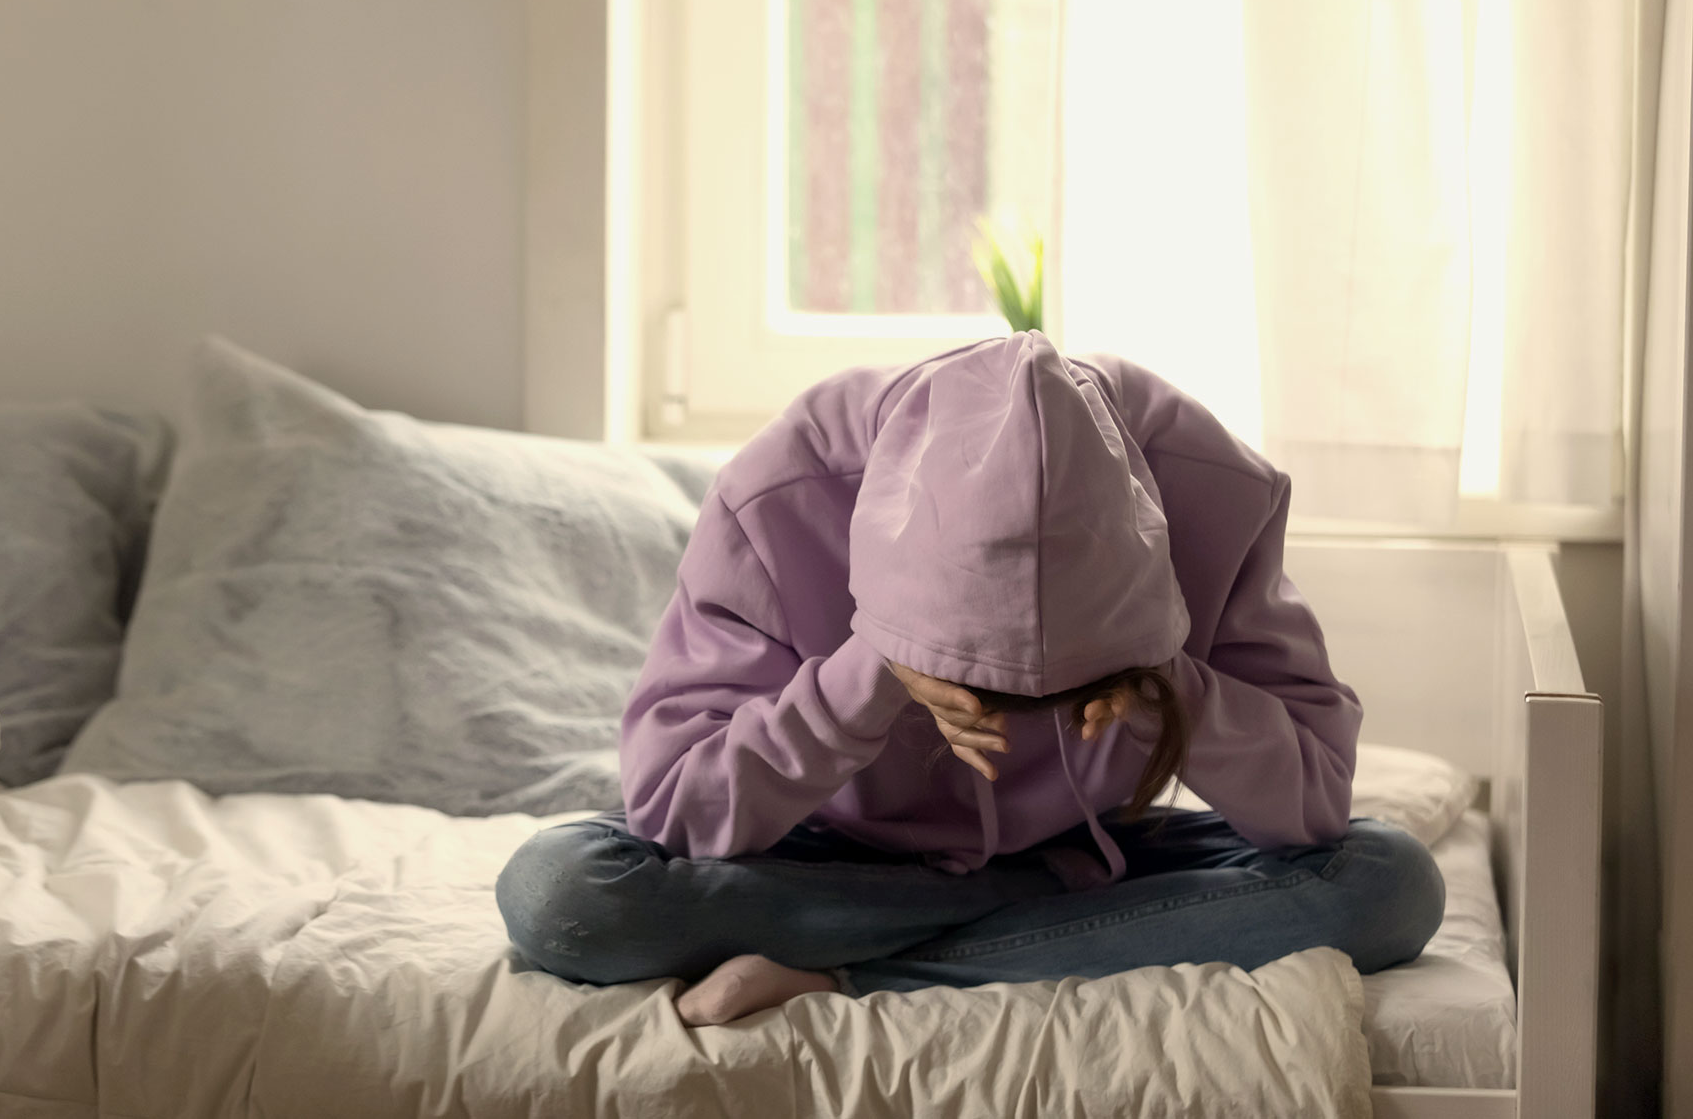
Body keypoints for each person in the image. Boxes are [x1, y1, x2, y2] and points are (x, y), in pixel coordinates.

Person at [495, 331, 1444, 1026]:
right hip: (835, 859)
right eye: (983, 691)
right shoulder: (777, 499)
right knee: (563, 894)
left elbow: (1315, 807)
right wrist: (865, 684)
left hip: (1096, 852)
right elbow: (672, 808)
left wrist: (1179, 696)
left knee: (1388, 882)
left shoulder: (1217, 491)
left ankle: (846, 975)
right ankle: (1034, 925)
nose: (1019, 720)